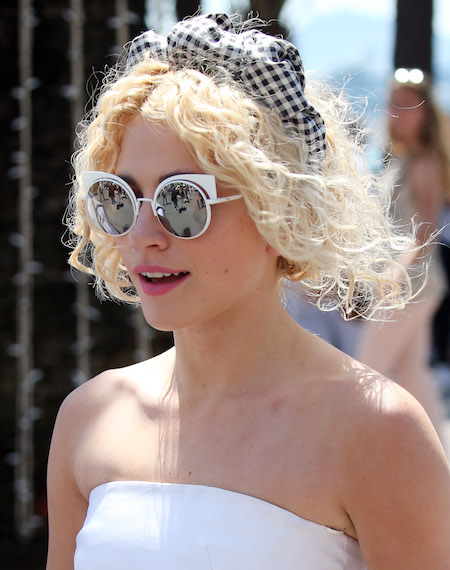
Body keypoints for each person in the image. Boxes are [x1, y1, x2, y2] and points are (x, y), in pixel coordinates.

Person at [46, 14, 450, 570]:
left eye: (181, 201)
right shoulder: (88, 418)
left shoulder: (378, 433)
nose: (141, 236)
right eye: (118, 198)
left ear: (278, 209)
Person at [357, 68, 450, 439]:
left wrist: (394, 272)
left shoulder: (425, 163)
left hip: (411, 285)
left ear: (425, 113)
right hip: (416, 285)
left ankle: (348, 457)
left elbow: (426, 230)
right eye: (394, 102)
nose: (399, 111)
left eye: (410, 104)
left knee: (365, 371)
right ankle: (439, 461)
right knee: (414, 375)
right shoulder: (401, 159)